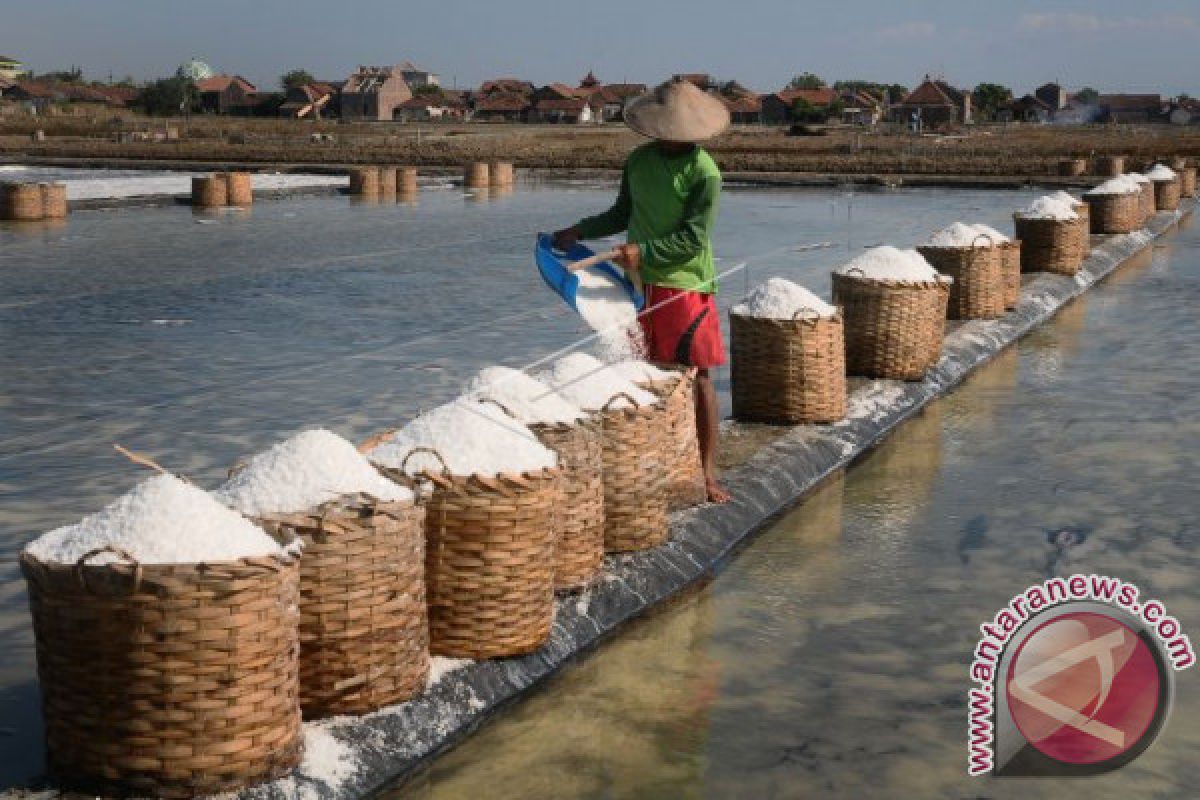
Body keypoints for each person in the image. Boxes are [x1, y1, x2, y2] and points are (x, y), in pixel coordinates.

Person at [553, 77, 731, 503]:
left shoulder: (705, 173)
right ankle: (661, 464)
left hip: (685, 282)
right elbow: (622, 213)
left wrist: (644, 250)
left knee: (697, 375)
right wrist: (580, 229)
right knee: (650, 372)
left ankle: (706, 473)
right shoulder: (638, 161)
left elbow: (693, 238)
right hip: (640, 282)